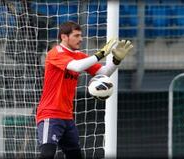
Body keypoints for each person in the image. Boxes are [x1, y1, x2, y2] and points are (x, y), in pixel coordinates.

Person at [35, 21, 133, 159]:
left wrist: (116, 60)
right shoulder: (55, 53)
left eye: (81, 35)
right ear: (64, 37)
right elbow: (76, 67)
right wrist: (101, 53)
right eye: (76, 35)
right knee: (47, 154)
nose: (81, 39)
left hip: (67, 117)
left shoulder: (79, 55)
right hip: (50, 115)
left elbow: (104, 73)